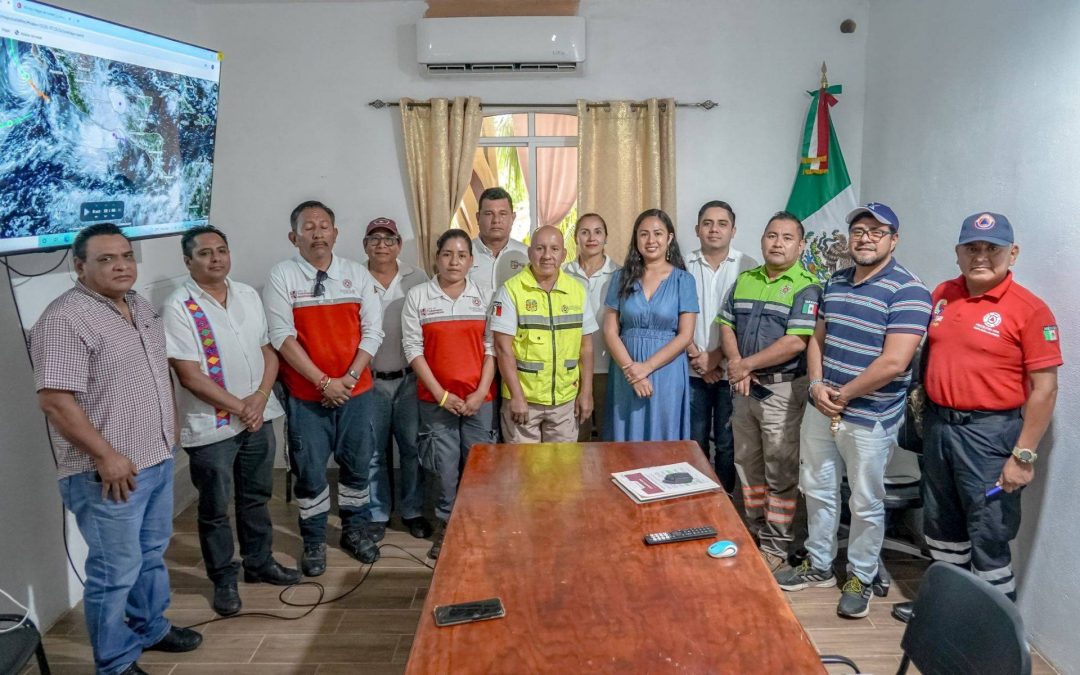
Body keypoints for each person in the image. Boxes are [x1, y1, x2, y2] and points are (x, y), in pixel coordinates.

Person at [32, 223, 202, 675]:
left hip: (156, 457)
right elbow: (55, 399)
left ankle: (150, 627)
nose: (121, 265)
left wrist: (169, 431)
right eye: (106, 259)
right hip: (106, 472)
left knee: (149, 556)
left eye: (126, 256)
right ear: (80, 267)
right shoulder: (65, 318)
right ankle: (115, 661)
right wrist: (106, 456)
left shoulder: (139, 306)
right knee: (114, 572)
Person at [891, 212, 1061, 623]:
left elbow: (1045, 389)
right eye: (972, 248)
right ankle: (945, 610)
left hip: (990, 437)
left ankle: (989, 629)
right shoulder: (943, 294)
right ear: (958, 253)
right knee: (941, 524)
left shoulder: (1030, 310)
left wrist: (1023, 457)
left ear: (1012, 253)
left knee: (988, 533)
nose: (981, 256)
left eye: (992, 248)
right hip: (939, 429)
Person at [774, 202, 931, 620]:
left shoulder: (910, 290)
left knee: (865, 501)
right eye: (858, 230)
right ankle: (819, 566)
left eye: (876, 232)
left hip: (870, 416)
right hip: (822, 406)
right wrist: (817, 385)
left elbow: (895, 362)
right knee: (819, 490)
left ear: (893, 240)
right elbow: (817, 340)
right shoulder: (836, 280)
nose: (865, 238)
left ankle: (860, 575)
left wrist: (841, 394)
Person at [164, 226, 299, 617]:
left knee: (255, 497)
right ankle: (223, 577)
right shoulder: (178, 306)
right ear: (188, 261)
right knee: (215, 507)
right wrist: (242, 407)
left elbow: (267, 351)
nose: (216, 258)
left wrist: (258, 398)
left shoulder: (247, 295)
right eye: (205, 253)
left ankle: (259, 563)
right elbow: (189, 375)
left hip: (257, 417)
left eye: (221, 250)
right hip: (212, 427)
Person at [263, 200, 385, 576]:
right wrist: (322, 382)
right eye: (308, 227)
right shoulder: (282, 276)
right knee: (311, 473)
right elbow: (281, 336)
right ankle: (314, 541)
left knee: (356, 467)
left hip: (355, 393)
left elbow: (373, 331)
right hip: (307, 398)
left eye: (324, 225)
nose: (317, 233)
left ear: (335, 233)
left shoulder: (356, 275)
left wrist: (347, 380)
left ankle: (355, 531)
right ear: (293, 236)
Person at [717, 212, 820, 571]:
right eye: (772, 235)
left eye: (787, 237)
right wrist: (736, 363)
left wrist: (745, 365)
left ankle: (777, 543)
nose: (778, 243)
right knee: (746, 464)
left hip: (781, 391)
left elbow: (796, 341)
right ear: (762, 240)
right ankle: (753, 531)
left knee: (779, 468)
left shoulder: (807, 286)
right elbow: (726, 324)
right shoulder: (746, 279)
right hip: (745, 388)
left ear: (801, 245)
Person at [402, 229, 497, 559]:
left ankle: (476, 523)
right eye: (447, 254)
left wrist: (480, 391)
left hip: (478, 401)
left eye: (461, 255)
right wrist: (442, 395)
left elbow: (492, 348)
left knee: (479, 466)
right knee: (443, 468)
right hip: (436, 402)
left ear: (471, 261)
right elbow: (413, 349)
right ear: (436, 258)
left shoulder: (486, 296)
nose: (454, 261)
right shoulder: (418, 297)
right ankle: (446, 525)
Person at [362, 217, 433, 542]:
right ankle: (377, 513)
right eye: (375, 239)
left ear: (399, 245)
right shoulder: (354, 278)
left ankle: (413, 511)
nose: (382, 245)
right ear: (366, 245)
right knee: (374, 452)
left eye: (388, 239)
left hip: (408, 380)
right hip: (370, 381)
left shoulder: (416, 277)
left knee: (410, 447)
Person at [491, 225, 596, 443]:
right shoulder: (511, 290)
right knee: (523, 470)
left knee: (562, 469)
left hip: (565, 402)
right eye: (540, 248)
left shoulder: (577, 291)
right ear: (530, 253)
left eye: (554, 249)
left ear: (564, 255)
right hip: (524, 402)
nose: (547, 256)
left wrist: (586, 392)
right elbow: (503, 348)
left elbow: (586, 348)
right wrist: (517, 397)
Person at [604, 209, 698, 441]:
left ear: (670, 238)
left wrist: (646, 368)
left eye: (658, 233)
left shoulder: (684, 280)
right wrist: (632, 372)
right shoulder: (620, 277)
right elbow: (610, 330)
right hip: (626, 371)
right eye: (644, 234)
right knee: (625, 442)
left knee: (662, 440)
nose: (651, 240)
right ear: (636, 239)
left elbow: (685, 336)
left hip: (666, 371)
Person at [686, 200, 757, 492]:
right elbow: (675, 317)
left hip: (731, 372)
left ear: (733, 230)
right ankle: (696, 496)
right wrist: (698, 359)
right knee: (695, 439)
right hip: (691, 370)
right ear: (697, 229)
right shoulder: (682, 265)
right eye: (708, 223)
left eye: (722, 224)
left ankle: (725, 498)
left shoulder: (748, 267)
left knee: (729, 444)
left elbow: (750, 323)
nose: (714, 229)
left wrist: (717, 357)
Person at [563, 213, 620, 441]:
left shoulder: (620, 274)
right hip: (572, 368)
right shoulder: (563, 273)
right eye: (585, 232)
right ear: (576, 237)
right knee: (578, 436)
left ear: (606, 237)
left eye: (598, 232)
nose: (591, 238)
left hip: (608, 366)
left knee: (609, 435)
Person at [469, 186, 529, 295]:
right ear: (478, 218)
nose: (496, 220)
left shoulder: (526, 255)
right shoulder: (463, 254)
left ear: (513, 217)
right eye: (489, 214)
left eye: (502, 214)